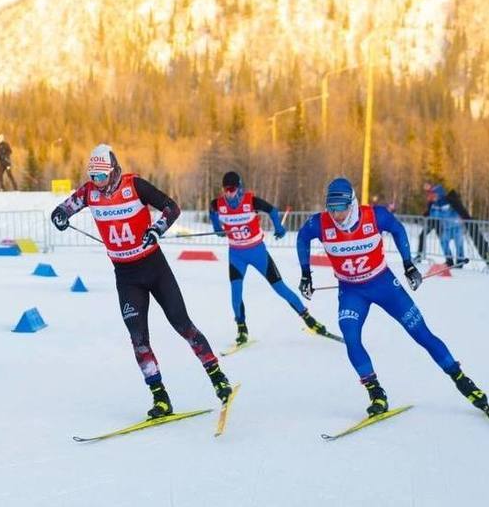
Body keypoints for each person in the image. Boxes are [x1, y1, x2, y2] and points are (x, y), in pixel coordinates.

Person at [50, 144, 232, 419]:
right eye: (93, 177)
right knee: (138, 339)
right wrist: (60, 216)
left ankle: (218, 378)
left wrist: (156, 229)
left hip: (154, 267)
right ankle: (160, 398)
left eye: (101, 176)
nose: (97, 183)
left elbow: (171, 207)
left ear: (112, 171)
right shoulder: (89, 193)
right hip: (126, 276)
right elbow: (64, 208)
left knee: (183, 325)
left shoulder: (134, 185)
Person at [296, 177, 489, 418]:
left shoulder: (374, 216)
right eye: (331, 208)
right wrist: (306, 274)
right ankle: (376, 392)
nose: (336, 215)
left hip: (384, 285)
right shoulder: (319, 223)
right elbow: (302, 238)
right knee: (351, 336)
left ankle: (462, 380)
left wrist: (409, 266)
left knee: (421, 333)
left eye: (341, 208)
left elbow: (398, 229)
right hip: (351, 291)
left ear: (352, 203)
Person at [208, 171, 333, 345]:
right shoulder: (217, 204)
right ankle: (241, 329)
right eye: (225, 190)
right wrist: (217, 228)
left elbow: (272, 210)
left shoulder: (251, 201)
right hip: (236, 255)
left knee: (280, 288)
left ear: (239, 188)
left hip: (257, 252)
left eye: (232, 189)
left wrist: (279, 228)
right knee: (236, 292)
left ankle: (309, 319)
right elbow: (212, 213)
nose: (228, 193)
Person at [427, 184, 467, 267]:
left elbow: (454, 210)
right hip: (447, 227)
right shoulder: (435, 204)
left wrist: (462, 217)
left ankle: (460, 261)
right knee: (443, 242)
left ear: (439, 193)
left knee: (459, 244)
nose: (433, 195)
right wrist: (430, 203)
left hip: (457, 226)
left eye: (435, 193)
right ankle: (449, 260)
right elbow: (432, 215)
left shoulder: (448, 201)